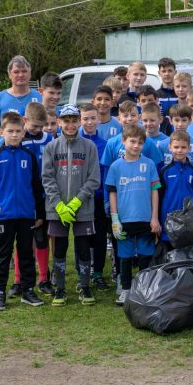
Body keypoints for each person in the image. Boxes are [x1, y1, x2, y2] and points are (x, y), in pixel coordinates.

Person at [0, 111, 46, 311]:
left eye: (18, 131)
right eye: (10, 131)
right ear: (1, 132)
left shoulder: (28, 156)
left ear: (23, 132)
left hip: (27, 215)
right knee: (3, 255)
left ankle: (27, 290)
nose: (14, 135)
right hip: (4, 215)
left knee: (27, 253)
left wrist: (39, 213)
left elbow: (37, 186)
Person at [42, 104, 101, 307]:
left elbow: (94, 179)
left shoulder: (89, 147)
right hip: (57, 210)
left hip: (82, 208)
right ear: (59, 122)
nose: (70, 124)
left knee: (83, 247)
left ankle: (84, 286)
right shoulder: (51, 147)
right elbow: (47, 179)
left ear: (79, 122)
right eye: (66, 121)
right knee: (59, 247)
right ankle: (59, 288)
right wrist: (59, 205)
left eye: (74, 120)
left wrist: (76, 202)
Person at [106, 124, 161, 305]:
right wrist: (115, 219)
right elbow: (112, 193)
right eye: (132, 141)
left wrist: (154, 217)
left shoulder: (149, 164)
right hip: (124, 219)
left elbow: (154, 192)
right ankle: (126, 290)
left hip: (145, 219)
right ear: (123, 142)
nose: (136, 146)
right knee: (125, 257)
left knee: (146, 256)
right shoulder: (116, 167)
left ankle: (143, 290)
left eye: (140, 143)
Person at [9, 103, 54, 298]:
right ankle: (18, 280)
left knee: (42, 238)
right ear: (25, 120)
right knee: (23, 240)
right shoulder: (17, 139)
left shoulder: (49, 138)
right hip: (24, 198)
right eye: (35, 126)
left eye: (41, 126)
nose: (38, 130)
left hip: (44, 196)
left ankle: (44, 278)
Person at [78, 103, 111, 290]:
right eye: (85, 118)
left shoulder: (104, 145)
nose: (89, 122)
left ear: (98, 119)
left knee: (99, 237)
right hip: (80, 199)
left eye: (92, 118)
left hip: (98, 198)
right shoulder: (75, 143)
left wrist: (106, 198)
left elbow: (106, 174)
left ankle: (97, 273)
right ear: (80, 120)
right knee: (81, 237)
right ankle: (82, 272)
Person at [0, 55, 42, 154]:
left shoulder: (40, 98)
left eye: (24, 71)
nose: (20, 75)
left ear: (30, 73)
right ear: (9, 75)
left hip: (33, 155)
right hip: (5, 154)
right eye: (16, 72)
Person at [158, 130, 193, 251]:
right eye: (176, 147)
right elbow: (159, 197)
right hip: (168, 219)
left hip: (189, 219)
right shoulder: (165, 171)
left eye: (183, 147)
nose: (179, 150)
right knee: (169, 251)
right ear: (170, 147)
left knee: (187, 250)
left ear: (189, 148)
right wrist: (159, 219)